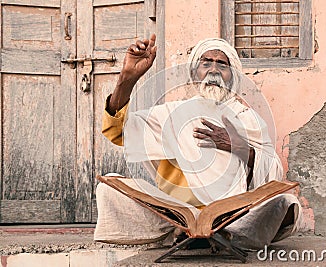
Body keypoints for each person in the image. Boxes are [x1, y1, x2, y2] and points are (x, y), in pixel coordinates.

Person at [94, 34, 303, 249]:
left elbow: (273, 173)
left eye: (222, 64)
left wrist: (237, 146)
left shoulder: (248, 118)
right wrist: (127, 78)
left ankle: (216, 231)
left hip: (232, 215)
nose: (213, 70)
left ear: (233, 75)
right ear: (195, 73)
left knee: (286, 204)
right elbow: (118, 131)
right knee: (109, 188)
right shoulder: (171, 113)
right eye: (206, 63)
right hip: (175, 213)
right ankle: (189, 230)